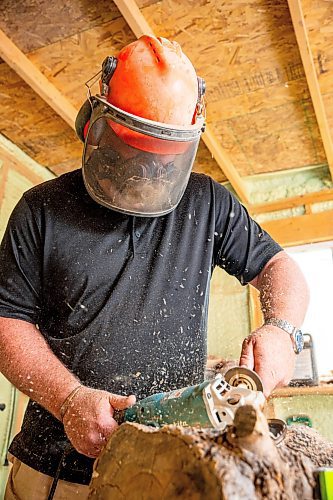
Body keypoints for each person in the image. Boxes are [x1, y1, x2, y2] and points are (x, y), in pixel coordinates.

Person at [0, 35, 309, 498]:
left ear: (187, 139)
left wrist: (283, 329)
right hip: (56, 473)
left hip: (172, 472)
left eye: (156, 158)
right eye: (127, 150)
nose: (140, 171)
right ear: (96, 122)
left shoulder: (207, 203)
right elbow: (6, 321)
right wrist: (69, 401)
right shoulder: (40, 210)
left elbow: (279, 267)